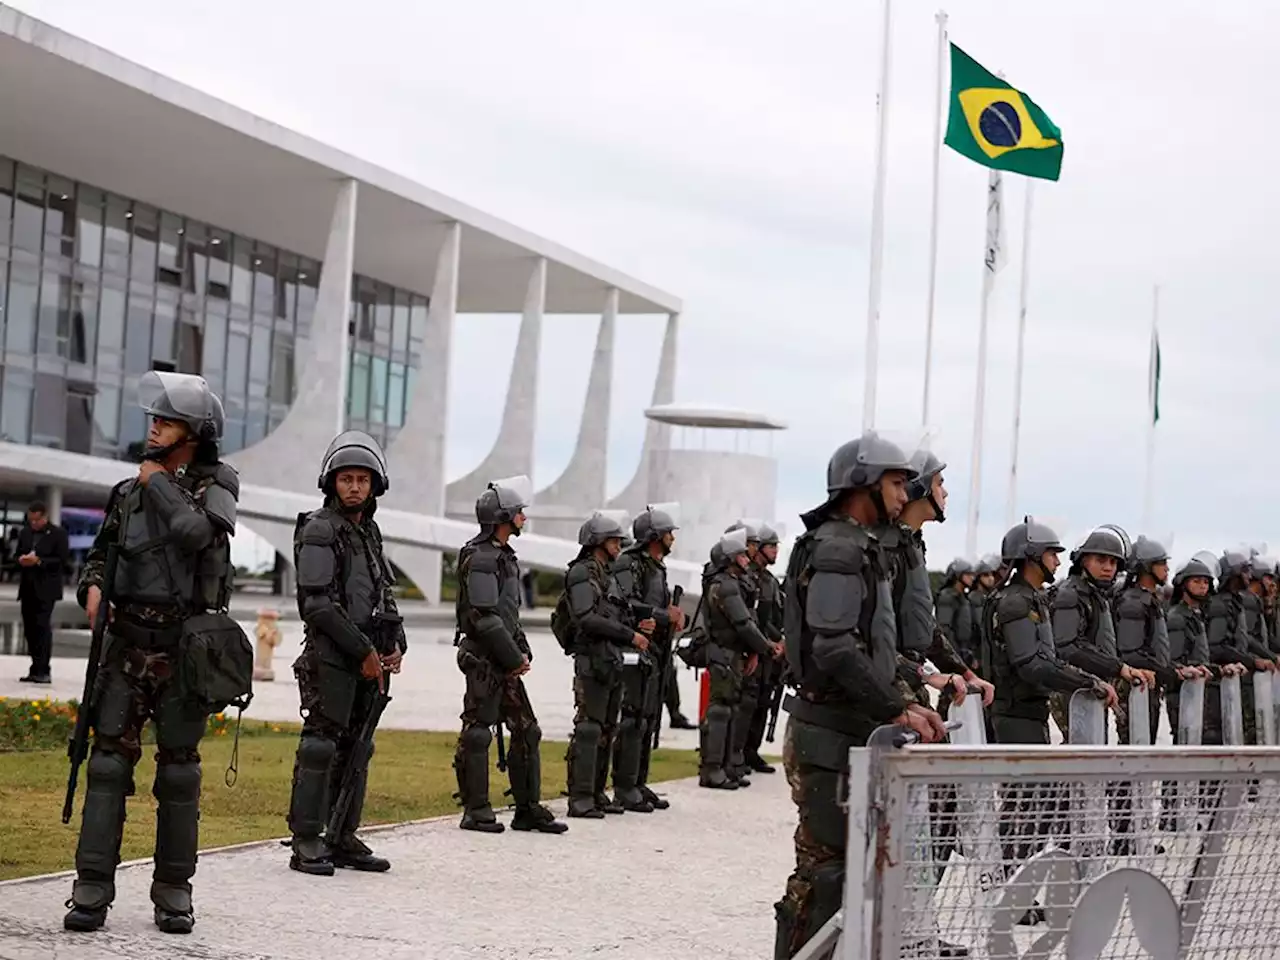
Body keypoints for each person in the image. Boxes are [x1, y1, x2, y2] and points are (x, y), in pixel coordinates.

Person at [64, 371, 239, 934]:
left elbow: (194, 534)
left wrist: (157, 483)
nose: (154, 427)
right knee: (108, 765)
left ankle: (172, 892)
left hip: (184, 653)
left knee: (180, 776)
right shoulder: (128, 493)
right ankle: (90, 888)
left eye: (165, 421)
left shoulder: (218, 484)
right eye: (154, 419)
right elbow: (99, 557)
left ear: (193, 432)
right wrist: (92, 590)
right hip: (127, 647)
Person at [773, 431, 945, 959]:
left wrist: (906, 702)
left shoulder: (858, 546)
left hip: (849, 728)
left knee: (856, 874)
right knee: (826, 876)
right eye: (895, 483)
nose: (904, 492)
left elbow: (869, 649)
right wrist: (897, 706)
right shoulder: (838, 548)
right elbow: (834, 650)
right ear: (861, 485)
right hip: (826, 734)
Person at [286, 431, 406, 876]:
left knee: (359, 745)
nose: (354, 487)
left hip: (368, 661)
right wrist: (363, 651)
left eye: (362, 480)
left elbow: (382, 592)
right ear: (331, 483)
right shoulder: (319, 528)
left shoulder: (369, 532)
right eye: (346, 479)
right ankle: (306, 840)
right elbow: (316, 604)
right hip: (331, 658)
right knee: (320, 746)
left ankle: (342, 834)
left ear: (374, 486)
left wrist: (395, 645)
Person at [452, 476, 566, 835]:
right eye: (519, 512)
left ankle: (527, 809)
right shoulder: (483, 556)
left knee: (527, 731)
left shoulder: (503, 556)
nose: (523, 518)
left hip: (503, 658)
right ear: (503, 515)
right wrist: (512, 656)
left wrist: (520, 649)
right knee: (478, 733)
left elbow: (505, 613)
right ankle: (476, 810)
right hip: (485, 661)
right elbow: (484, 618)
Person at [560, 512, 649, 818]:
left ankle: (597, 793)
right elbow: (586, 616)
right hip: (591, 660)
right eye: (613, 540)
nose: (618, 545)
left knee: (607, 728)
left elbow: (615, 613)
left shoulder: (606, 572)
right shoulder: (583, 572)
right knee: (588, 728)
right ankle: (580, 797)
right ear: (597, 541)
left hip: (610, 658)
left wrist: (639, 624)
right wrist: (630, 634)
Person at [611, 504, 685, 811]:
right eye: (668, 532)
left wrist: (672, 617)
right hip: (635, 650)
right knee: (632, 719)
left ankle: (639, 783)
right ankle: (625, 787)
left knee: (647, 719)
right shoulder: (630, 562)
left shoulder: (656, 566)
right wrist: (663, 615)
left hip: (656, 651)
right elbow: (627, 602)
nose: (672, 538)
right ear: (655, 535)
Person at [1048, 526, 1152, 742]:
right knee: (1081, 756)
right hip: (1073, 689)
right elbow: (1068, 646)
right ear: (1084, 561)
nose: (1108, 567)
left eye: (1113, 562)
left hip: (1092, 687)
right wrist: (1119, 668)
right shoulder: (1071, 595)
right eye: (1101, 560)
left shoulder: (1095, 595)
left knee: (1093, 752)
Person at [701, 528, 781, 789]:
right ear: (731, 558)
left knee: (732, 710)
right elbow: (744, 624)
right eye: (742, 555)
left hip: (733, 654)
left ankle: (725, 767)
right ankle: (712, 769)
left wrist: (757, 650)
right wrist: (768, 648)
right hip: (723, 654)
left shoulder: (734, 584)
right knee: (721, 711)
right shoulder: (725, 586)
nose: (747, 557)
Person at [743, 522, 786, 774]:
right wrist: (773, 640)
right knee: (747, 704)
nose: (776, 551)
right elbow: (757, 618)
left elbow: (776, 616)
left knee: (763, 702)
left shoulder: (770, 580)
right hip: (757, 647)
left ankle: (752, 751)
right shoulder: (747, 577)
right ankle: (739, 752)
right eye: (771, 546)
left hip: (771, 650)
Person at [15, 500, 70, 684]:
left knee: (42, 628)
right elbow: (17, 554)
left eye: (37, 520)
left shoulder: (58, 534)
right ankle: (34, 667)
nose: (33, 524)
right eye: (31, 520)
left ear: (45, 517)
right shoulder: (25, 533)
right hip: (27, 588)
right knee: (29, 630)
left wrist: (39, 561)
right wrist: (21, 560)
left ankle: (44, 669)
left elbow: (62, 561)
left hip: (46, 589)